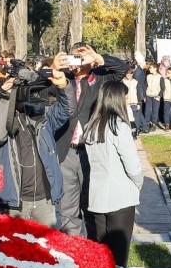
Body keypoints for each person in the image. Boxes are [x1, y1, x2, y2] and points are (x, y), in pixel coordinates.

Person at [52, 44, 128, 237]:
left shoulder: (101, 78)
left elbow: (122, 68)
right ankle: (72, 249)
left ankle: (93, 250)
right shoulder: (61, 79)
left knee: (91, 204)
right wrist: (53, 67)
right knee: (67, 206)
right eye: (73, 57)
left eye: (81, 57)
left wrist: (98, 58)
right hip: (65, 149)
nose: (77, 63)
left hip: (91, 150)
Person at [0, 63, 71, 227]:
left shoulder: (42, 118)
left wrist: (63, 87)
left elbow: (65, 111)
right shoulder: (1, 121)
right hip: (15, 203)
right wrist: (6, 98)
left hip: (44, 200)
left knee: (47, 250)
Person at [83, 79, 142, 266]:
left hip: (98, 195)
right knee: (118, 257)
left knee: (101, 254)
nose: (126, 102)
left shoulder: (92, 125)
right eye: (124, 98)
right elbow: (133, 165)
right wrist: (138, 184)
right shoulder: (118, 126)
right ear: (117, 99)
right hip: (120, 197)